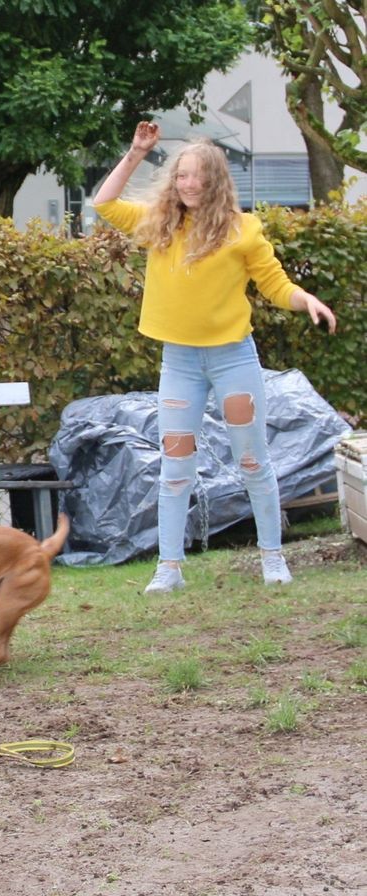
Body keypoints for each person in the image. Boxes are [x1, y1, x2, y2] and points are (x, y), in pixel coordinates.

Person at [93, 121, 337, 593]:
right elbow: (104, 204)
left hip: (232, 359)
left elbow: (275, 285)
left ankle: (272, 557)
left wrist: (304, 299)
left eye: (197, 176)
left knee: (252, 459)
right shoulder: (160, 224)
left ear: (215, 180)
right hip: (179, 362)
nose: (188, 183)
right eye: (181, 175)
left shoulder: (243, 231)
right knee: (175, 463)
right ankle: (169, 568)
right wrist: (137, 153)